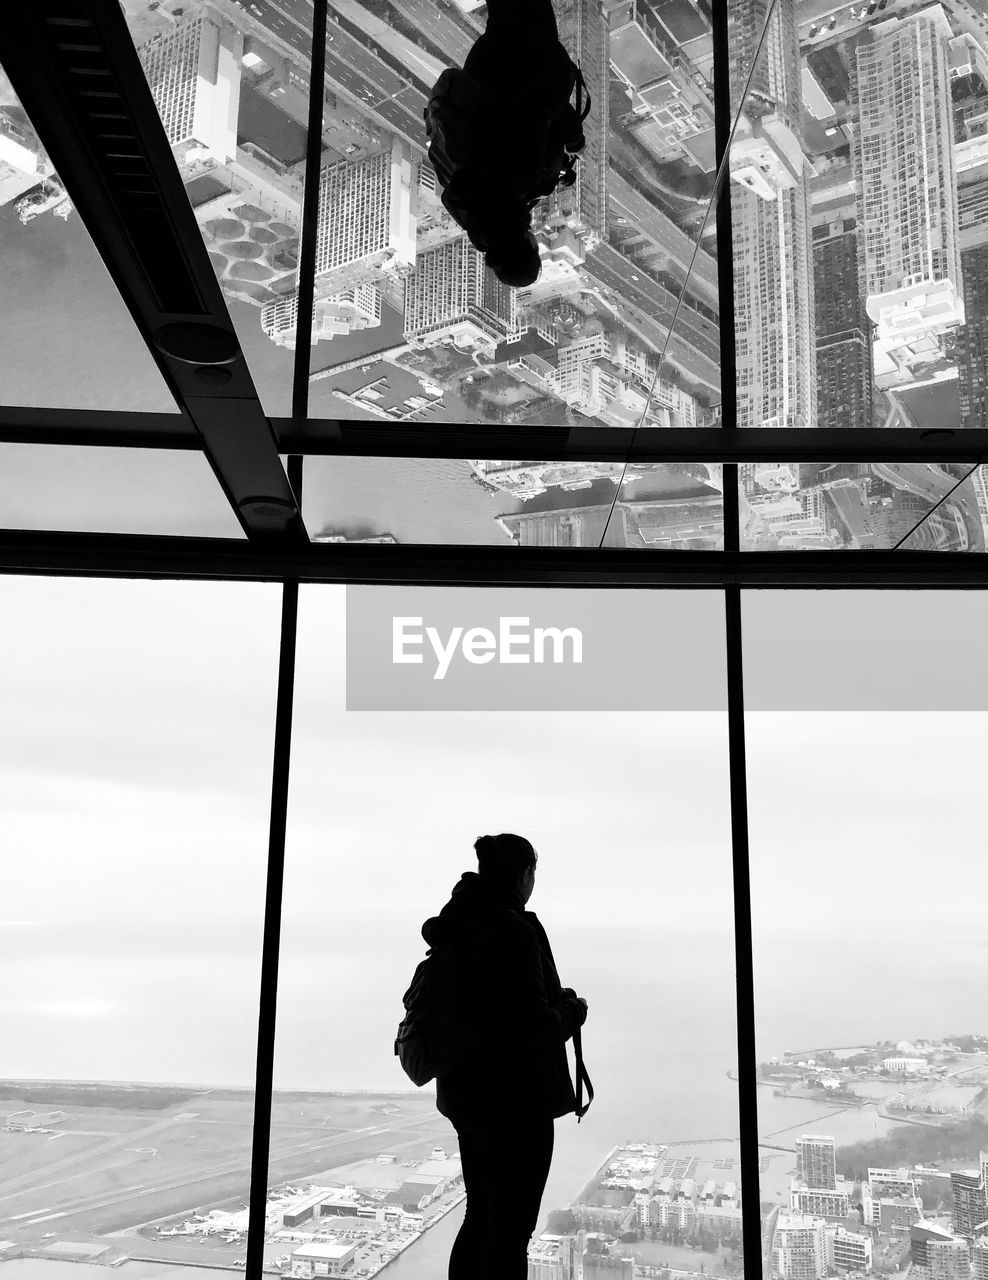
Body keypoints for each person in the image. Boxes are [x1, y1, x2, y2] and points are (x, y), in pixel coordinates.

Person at [420, 833, 589, 1280]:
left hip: (466, 1097)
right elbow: (533, 1024)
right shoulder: (511, 929)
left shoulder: (458, 925)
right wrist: (573, 1009)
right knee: (512, 1232)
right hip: (516, 1104)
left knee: (479, 1217)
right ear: (524, 874)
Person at [424, 0, 589, 288]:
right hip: (487, 64)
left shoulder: (517, 181)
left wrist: (573, 138)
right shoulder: (476, 210)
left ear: (528, 244)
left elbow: (539, 104)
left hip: (523, 56)